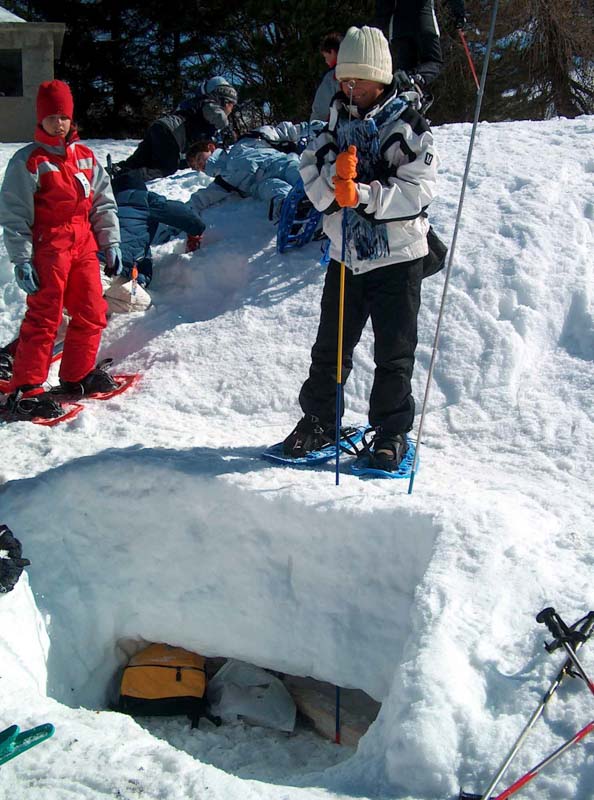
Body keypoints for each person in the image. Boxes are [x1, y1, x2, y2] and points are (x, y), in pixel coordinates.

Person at [281, 25, 438, 472]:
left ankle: (390, 433)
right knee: (329, 347)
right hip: (346, 254)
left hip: (399, 257)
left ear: (382, 80)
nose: (352, 89)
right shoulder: (330, 122)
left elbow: (418, 191)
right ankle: (320, 421)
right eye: (345, 80)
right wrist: (334, 183)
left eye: (361, 82)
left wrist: (364, 195)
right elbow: (310, 173)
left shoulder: (410, 125)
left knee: (394, 352)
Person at [0, 80, 122, 420]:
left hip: (83, 244)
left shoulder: (85, 157)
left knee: (91, 309)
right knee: (45, 317)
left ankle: (77, 374)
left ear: (71, 119)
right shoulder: (30, 161)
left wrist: (110, 242)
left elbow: (103, 203)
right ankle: (27, 387)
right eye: (52, 116)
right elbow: (14, 215)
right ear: (41, 119)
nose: (58, 123)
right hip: (48, 247)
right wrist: (22, 258)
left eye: (63, 116)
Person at [188, 121, 322, 221]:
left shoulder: (247, 140)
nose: (200, 165)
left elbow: (289, 130)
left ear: (210, 147)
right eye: (196, 167)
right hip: (262, 184)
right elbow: (199, 199)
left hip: (280, 164)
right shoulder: (222, 181)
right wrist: (182, 219)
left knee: (299, 175)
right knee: (273, 189)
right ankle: (292, 208)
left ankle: (320, 191)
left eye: (199, 158)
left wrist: (325, 127)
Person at [111, 77, 238, 182]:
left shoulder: (197, 105)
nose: (231, 110)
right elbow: (216, 114)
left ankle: (112, 172)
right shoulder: (209, 104)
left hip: (161, 127)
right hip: (171, 133)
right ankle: (124, 180)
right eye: (232, 105)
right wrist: (226, 129)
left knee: (139, 161)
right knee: (166, 168)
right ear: (225, 101)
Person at [374, 0, 467, 92]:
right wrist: (460, 16)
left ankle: (402, 88)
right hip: (424, 21)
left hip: (399, 27)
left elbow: (384, 4)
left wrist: (379, 24)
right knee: (434, 62)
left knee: (405, 67)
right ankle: (416, 78)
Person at [310, 32, 343, 123]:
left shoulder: (332, 77)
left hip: (333, 129)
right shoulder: (356, 72)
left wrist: (314, 128)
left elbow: (321, 108)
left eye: (325, 56)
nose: (326, 61)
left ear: (332, 52)